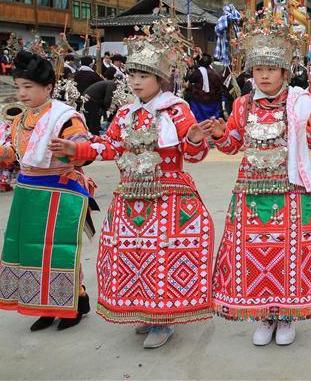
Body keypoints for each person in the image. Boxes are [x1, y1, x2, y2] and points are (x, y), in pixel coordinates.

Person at [50, 18, 214, 349]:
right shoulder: (125, 113)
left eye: (143, 76)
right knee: (132, 253)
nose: (136, 82)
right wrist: (76, 148)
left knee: (163, 253)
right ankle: (145, 308)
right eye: (133, 76)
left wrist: (195, 140)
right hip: (131, 195)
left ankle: (162, 318)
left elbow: (194, 153)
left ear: (160, 78)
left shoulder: (176, 109)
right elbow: (109, 146)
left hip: (169, 193)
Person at [205, 14, 311, 347]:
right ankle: (264, 314)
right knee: (257, 255)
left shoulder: (299, 102)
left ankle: (288, 313)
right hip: (250, 193)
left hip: (290, 191)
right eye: (258, 69)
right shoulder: (241, 104)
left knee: (289, 254)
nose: (264, 75)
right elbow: (234, 144)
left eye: (271, 69)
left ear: (284, 72)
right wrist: (221, 133)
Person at [0, 51, 95, 330]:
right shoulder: (19, 120)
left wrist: (71, 151)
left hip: (61, 191)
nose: (22, 93)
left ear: (48, 88)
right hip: (29, 193)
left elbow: (83, 153)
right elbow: (12, 155)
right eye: (18, 86)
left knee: (60, 252)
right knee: (32, 252)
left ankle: (74, 305)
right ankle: (45, 306)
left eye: (28, 87)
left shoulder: (66, 118)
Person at [185, 54, 223, 123]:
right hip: (213, 101)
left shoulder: (199, 72)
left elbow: (190, 79)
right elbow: (219, 87)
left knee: (199, 121)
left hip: (199, 101)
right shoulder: (216, 73)